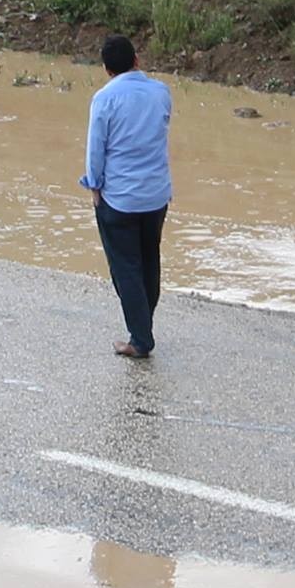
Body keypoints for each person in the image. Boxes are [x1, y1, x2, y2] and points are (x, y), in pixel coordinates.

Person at [81, 31, 174, 358]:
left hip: (119, 197)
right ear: (137, 60)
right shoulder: (162, 93)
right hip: (156, 195)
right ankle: (143, 321)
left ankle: (140, 339)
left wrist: (94, 186)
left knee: (126, 267)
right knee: (150, 259)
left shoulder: (104, 98)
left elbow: (96, 149)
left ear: (106, 69)